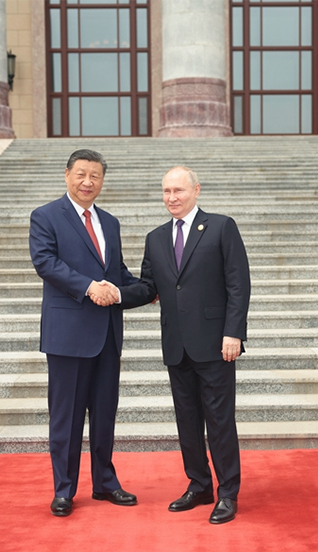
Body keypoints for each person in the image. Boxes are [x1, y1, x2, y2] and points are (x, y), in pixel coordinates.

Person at [115, 166, 251, 524]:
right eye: (165, 192)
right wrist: (115, 293)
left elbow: (238, 284)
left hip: (216, 344)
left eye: (178, 190)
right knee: (187, 421)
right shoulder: (155, 237)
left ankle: (227, 493)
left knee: (220, 421)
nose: (172, 197)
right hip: (176, 344)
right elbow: (148, 288)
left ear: (196, 190)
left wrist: (233, 332)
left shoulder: (222, 227)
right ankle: (199, 484)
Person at [29, 149, 139, 517]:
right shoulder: (46, 216)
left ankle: (106, 483)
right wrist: (90, 286)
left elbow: (119, 274)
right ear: (67, 175)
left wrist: (155, 289)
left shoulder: (110, 222)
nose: (88, 181)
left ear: (102, 181)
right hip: (68, 333)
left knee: (105, 414)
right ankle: (64, 489)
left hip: (106, 334)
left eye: (95, 176)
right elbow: (45, 262)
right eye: (81, 174)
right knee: (67, 416)